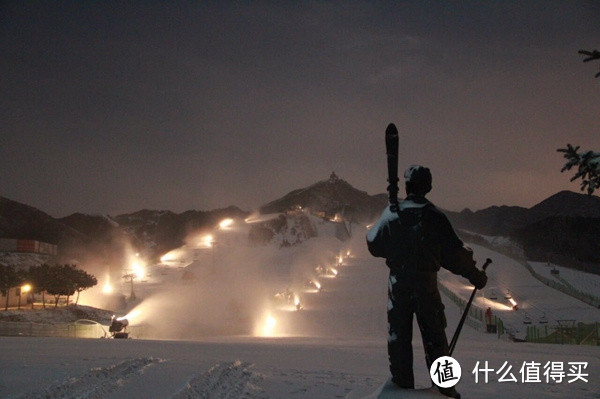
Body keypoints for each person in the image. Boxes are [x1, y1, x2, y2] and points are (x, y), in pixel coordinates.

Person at [366, 165, 487, 399]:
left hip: (398, 286)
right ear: (428, 187)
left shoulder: (392, 213)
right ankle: (444, 389)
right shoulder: (435, 217)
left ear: (408, 186)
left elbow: (374, 244)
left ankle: (401, 388)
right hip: (426, 286)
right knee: (435, 339)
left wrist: (393, 230)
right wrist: (476, 276)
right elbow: (455, 255)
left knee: (398, 339)